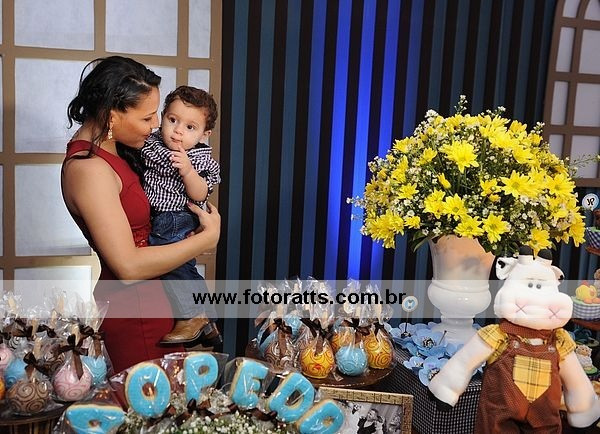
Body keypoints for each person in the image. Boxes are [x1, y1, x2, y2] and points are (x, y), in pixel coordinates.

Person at [61, 56, 221, 373]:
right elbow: (129, 266)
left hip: (157, 300)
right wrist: (207, 238)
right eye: (147, 118)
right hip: (137, 308)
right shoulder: (89, 169)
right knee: (149, 398)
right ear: (111, 115)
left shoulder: (116, 148)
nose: (155, 126)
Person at [141, 86, 220, 345]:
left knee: (170, 262)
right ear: (163, 116)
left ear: (204, 134)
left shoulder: (197, 157)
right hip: (159, 214)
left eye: (190, 127)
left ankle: (193, 314)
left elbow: (200, 193)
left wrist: (188, 172)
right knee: (182, 265)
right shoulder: (153, 143)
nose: (178, 131)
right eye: (172, 120)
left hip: (176, 215)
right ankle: (204, 317)